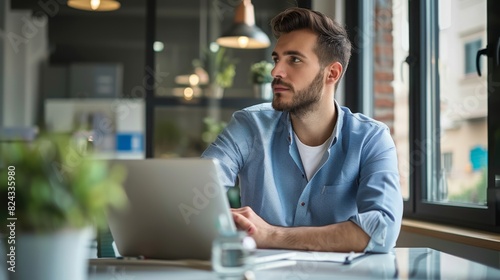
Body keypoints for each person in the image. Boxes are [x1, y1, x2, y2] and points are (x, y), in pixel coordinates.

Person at [202, 7, 403, 253]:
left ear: (332, 73)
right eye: (276, 59)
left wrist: (271, 235)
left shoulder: (371, 139)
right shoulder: (249, 126)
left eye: (294, 59)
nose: (275, 72)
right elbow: (195, 196)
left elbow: (383, 230)